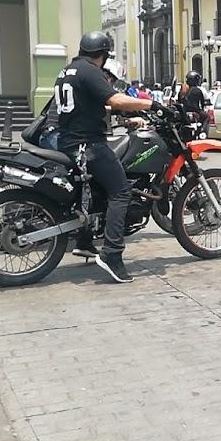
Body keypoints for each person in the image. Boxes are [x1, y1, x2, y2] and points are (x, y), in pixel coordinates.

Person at [54, 31, 159, 283]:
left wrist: (125, 117)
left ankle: (84, 239)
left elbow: (92, 104)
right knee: (121, 191)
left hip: (68, 141)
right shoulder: (91, 71)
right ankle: (112, 253)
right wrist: (150, 104)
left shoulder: (67, 71)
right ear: (102, 55)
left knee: (96, 191)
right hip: (88, 144)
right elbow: (114, 97)